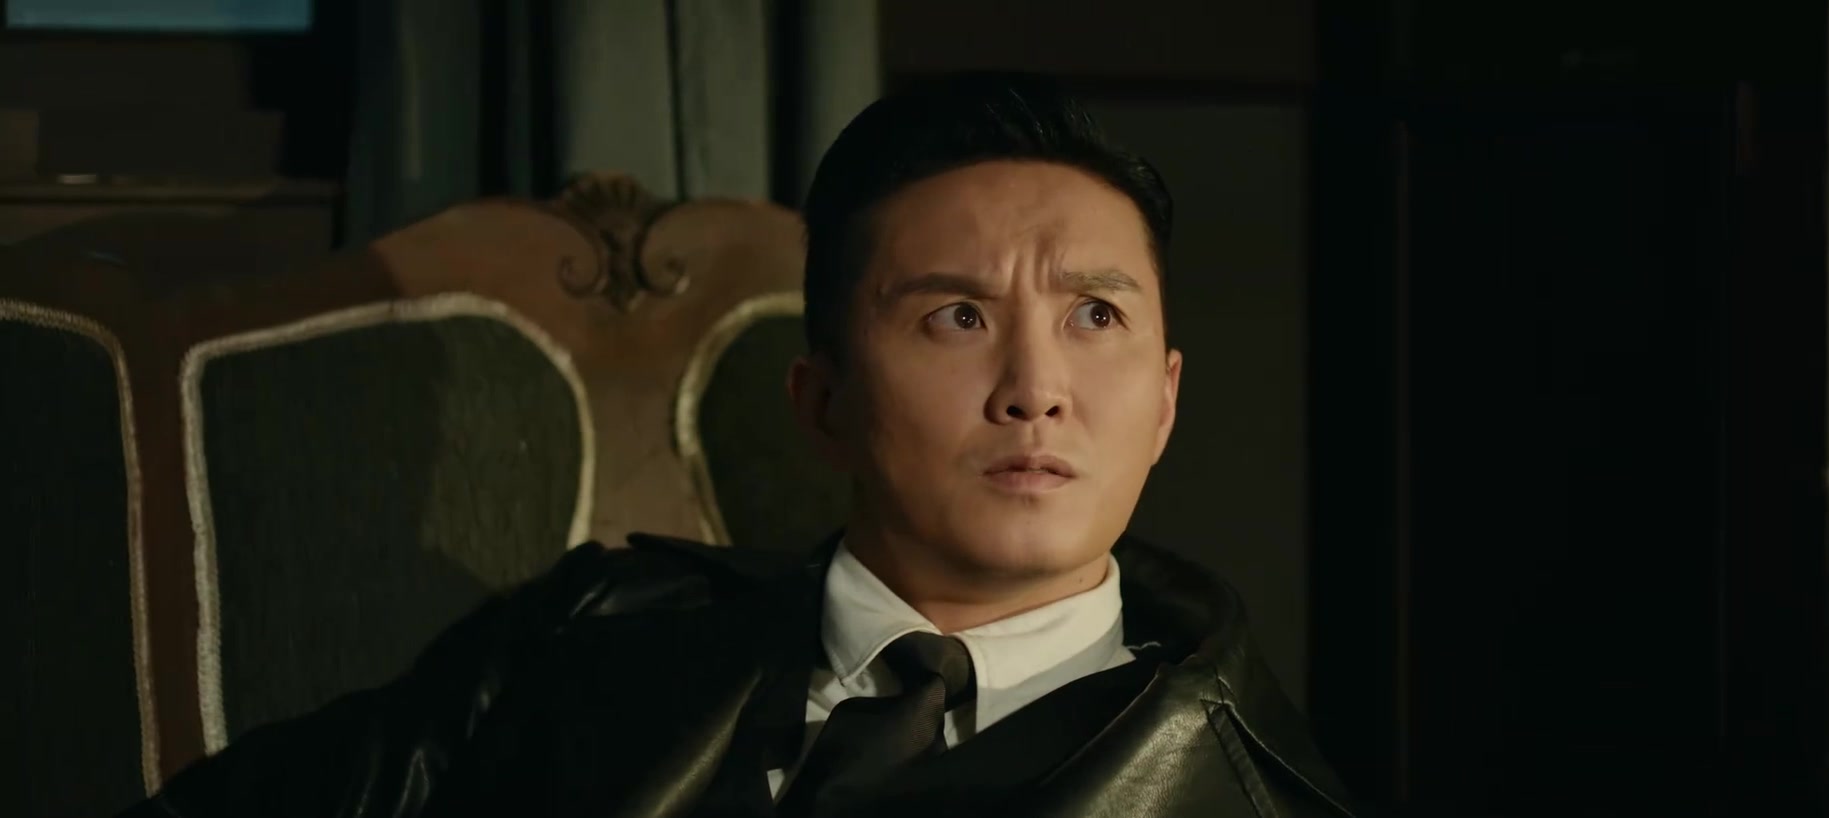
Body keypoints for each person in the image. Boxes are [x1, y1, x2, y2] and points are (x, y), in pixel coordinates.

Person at [121, 73, 1355, 818]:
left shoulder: (1247, 790)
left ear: (1165, 402)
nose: (1035, 390)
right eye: (957, 317)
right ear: (821, 399)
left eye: (1095, 317)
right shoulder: (587, 637)